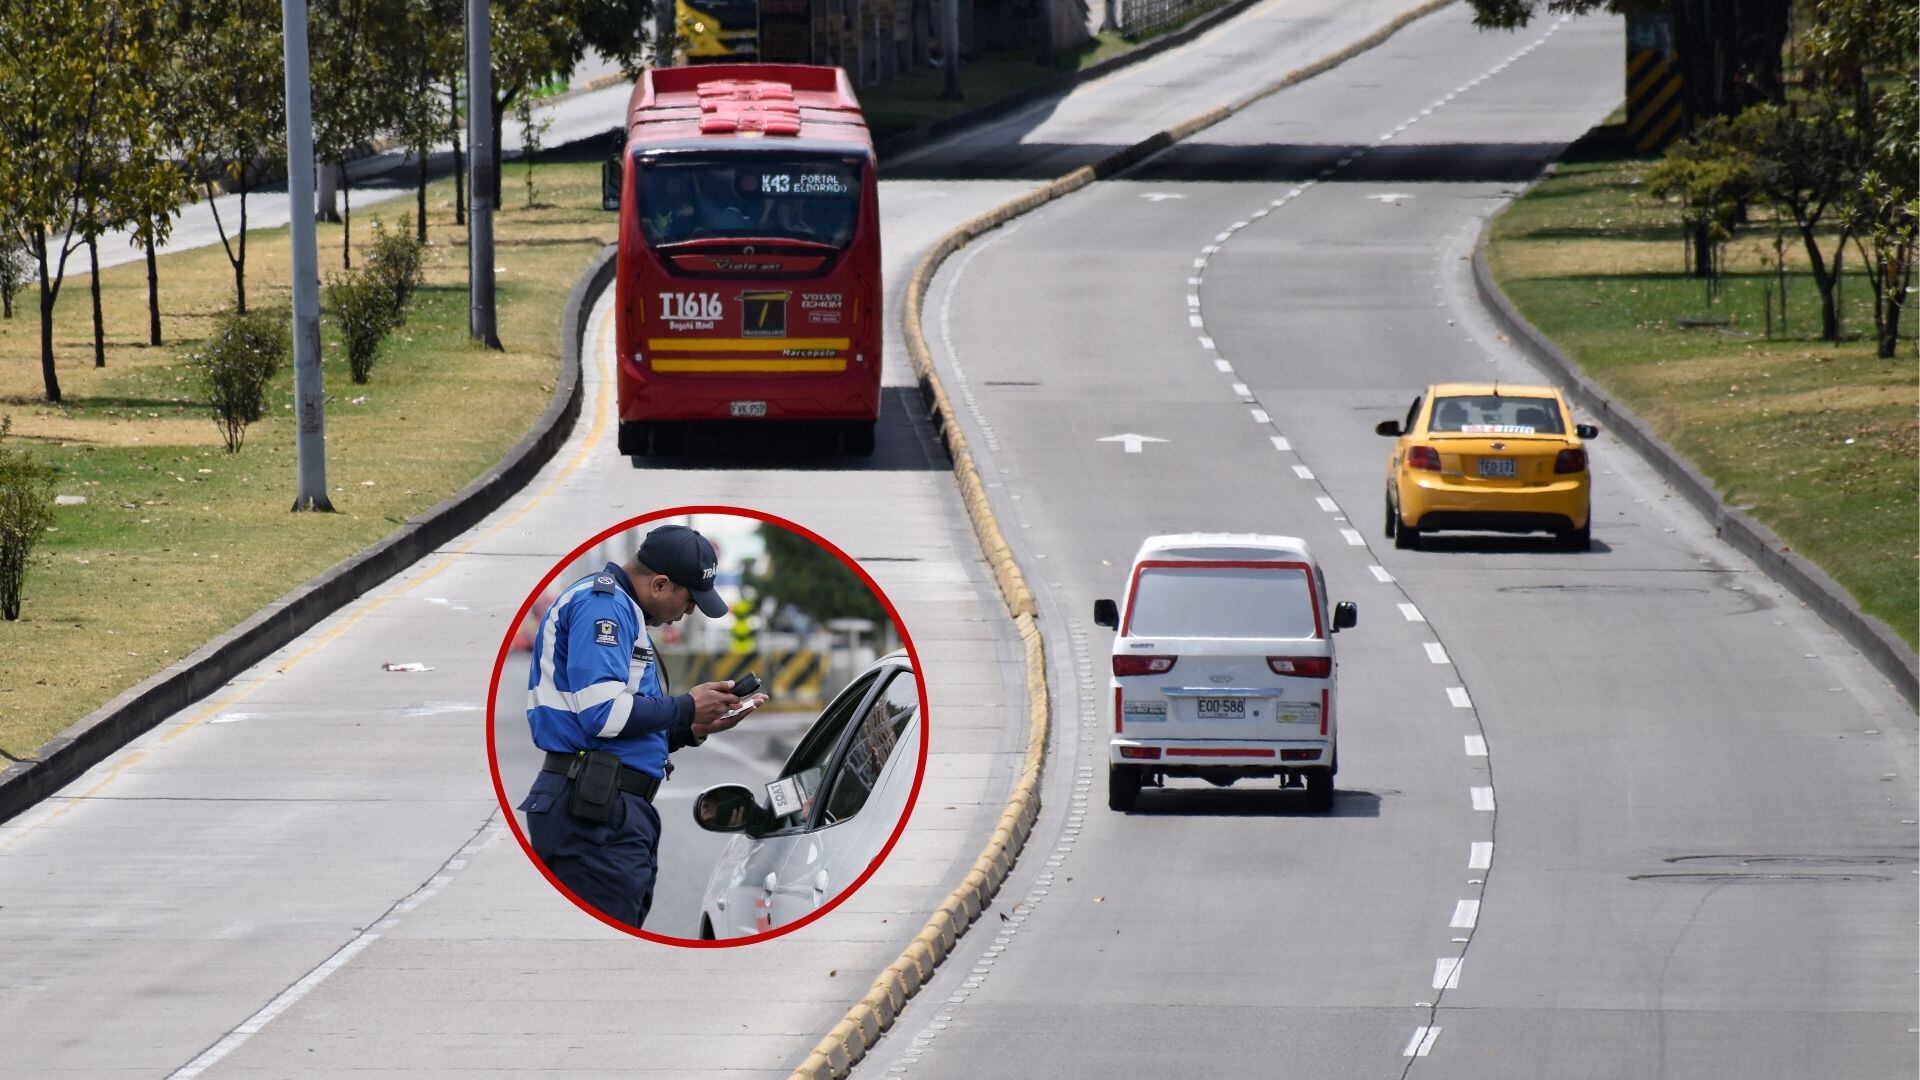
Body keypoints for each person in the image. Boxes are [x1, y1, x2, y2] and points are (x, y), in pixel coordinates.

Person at [517, 523, 767, 929]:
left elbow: (621, 728)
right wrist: (686, 705)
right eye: (689, 601)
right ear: (660, 585)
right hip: (593, 812)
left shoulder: (622, 610)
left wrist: (695, 726)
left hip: (602, 805)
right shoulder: (605, 607)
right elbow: (603, 714)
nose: (688, 613)